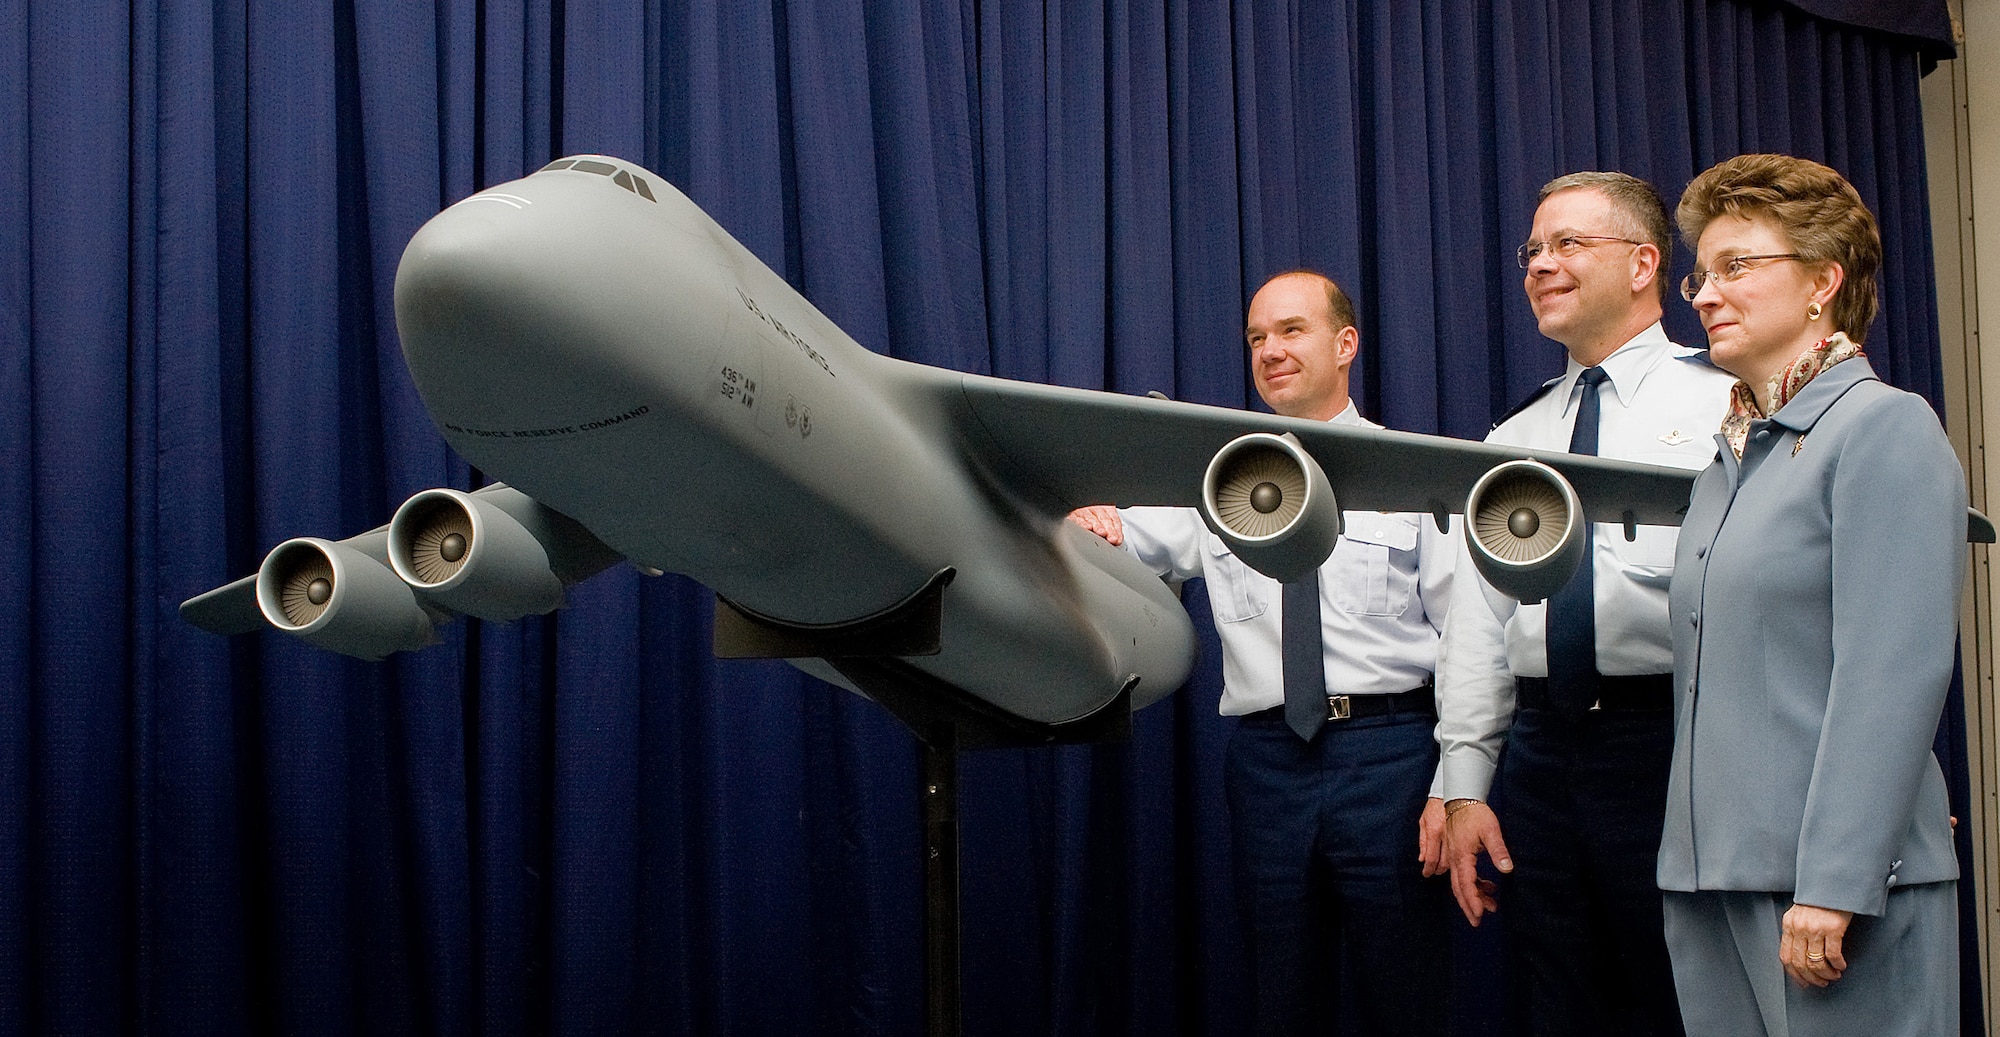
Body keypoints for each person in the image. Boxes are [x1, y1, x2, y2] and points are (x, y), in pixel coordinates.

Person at [1069, 270, 1453, 1036]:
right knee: (1280, 999)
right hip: (1269, 765)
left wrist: (1456, 785)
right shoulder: (1220, 481)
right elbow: (1123, 540)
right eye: (1255, 338)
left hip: (1393, 759)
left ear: (1345, 344)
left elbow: (1465, 642)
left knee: (1405, 996)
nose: (1270, 351)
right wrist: (1090, 517)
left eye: (1290, 331)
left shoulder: (1416, 472)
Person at [1657, 153, 1964, 1034]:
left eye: (1738, 266)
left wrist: (1834, 878)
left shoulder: (1882, 427)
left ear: (1824, 282)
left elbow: (1891, 673)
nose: (1707, 294)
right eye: (1702, 273)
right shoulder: (1728, 460)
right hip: (1709, 882)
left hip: (1828, 894)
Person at [1435, 172, 1735, 1036]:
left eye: (1569, 244)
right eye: (1533, 249)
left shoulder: (1724, 400)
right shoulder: (1513, 436)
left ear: (1644, 263)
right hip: (1541, 756)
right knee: (1559, 1000)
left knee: (1685, 995)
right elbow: (1477, 629)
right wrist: (1464, 788)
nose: (1540, 264)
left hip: (1674, 744)